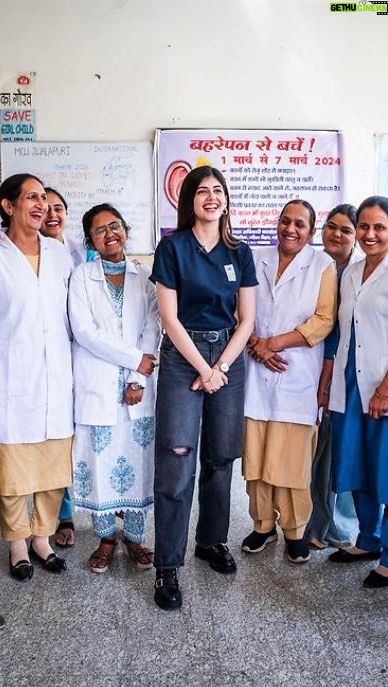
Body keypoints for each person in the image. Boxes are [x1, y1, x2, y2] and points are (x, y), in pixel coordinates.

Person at [150, 166, 257, 610]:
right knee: (177, 459)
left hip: (228, 357)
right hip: (182, 357)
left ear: (227, 200)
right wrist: (204, 369)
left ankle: (211, 542)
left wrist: (222, 366)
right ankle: (168, 565)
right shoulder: (172, 248)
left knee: (220, 455)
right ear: (189, 199)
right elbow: (168, 319)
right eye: (202, 191)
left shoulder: (240, 250)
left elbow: (247, 317)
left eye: (218, 190)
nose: (211, 197)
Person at [242, 199, 337, 564]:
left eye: (300, 224)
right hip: (256, 373)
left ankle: (295, 531)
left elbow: (324, 320)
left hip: (297, 373)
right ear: (277, 223)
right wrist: (256, 346)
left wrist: (274, 344)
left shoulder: (322, 265)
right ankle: (262, 525)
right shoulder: (256, 258)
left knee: (293, 462)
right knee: (257, 458)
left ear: (311, 232)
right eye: (285, 221)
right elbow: (241, 310)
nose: (290, 229)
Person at [68, 203, 159, 573]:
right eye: (100, 230)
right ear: (90, 239)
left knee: (138, 465)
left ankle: (136, 538)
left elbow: (153, 327)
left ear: (126, 230)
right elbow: (85, 331)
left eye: (115, 226)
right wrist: (133, 360)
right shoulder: (81, 277)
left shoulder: (145, 277)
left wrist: (138, 377)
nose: (110, 234)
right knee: (100, 463)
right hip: (98, 387)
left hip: (138, 392)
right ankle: (106, 539)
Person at [0, 173, 73, 580]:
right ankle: (16, 544)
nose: (41, 205)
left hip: (57, 374)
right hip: (11, 374)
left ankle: (42, 538)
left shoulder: (59, 253)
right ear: (9, 206)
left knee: (51, 466)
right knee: (13, 469)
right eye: (31, 197)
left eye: (43, 198)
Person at [327, 196, 388, 589]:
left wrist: (385, 389)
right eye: (363, 227)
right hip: (351, 384)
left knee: (385, 471)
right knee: (358, 467)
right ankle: (368, 540)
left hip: (383, 386)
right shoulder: (350, 273)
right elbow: (342, 334)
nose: (369, 234)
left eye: (379, 227)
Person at [305, 204, 359, 549]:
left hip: (346, 371)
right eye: (331, 227)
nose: (336, 234)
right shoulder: (313, 266)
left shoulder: (357, 273)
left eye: (346, 230)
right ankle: (315, 526)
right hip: (312, 366)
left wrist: (326, 381)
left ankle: (339, 525)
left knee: (344, 450)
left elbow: (338, 331)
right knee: (317, 451)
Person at [40, 186, 85, 548]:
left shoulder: (81, 252)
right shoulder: (18, 253)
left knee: (79, 434)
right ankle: (62, 514)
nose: (52, 214)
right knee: (52, 437)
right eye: (45, 207)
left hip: (81, 357)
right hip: (44, 356)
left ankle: (103, 503)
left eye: (59, 208)